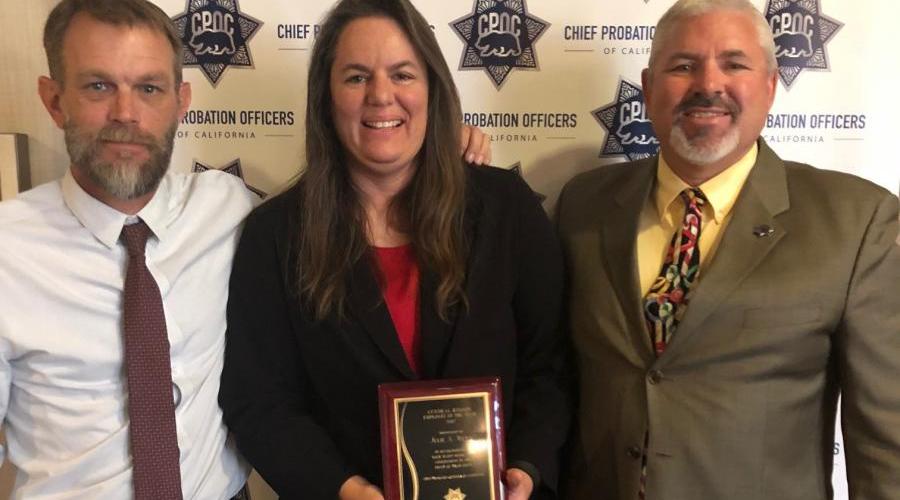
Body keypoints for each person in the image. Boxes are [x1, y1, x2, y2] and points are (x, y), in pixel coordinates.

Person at [0, 0, 491, 498]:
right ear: (54, 99)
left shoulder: (228, 209)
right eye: (98, 86)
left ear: (180, 101)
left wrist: (440, 141)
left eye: (149, 88)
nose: (126, 113)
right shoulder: (8, 251)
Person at [217, 0, 571, 499]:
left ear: (432, 90)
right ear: (326, 96)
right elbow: (260, 400)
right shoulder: (275, 235)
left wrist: (529, 468)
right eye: (356, 77)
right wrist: (342, 489)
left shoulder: (505, 208)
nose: (381, 97)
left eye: (403, 74)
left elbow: (549, 366)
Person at [556, 0, 900, 499]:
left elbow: (885, 438)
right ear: (649, 89)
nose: (708, 84)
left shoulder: (855, 220)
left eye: (734, 64)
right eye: (683, 65)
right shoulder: (582, 206)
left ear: (770, 86)